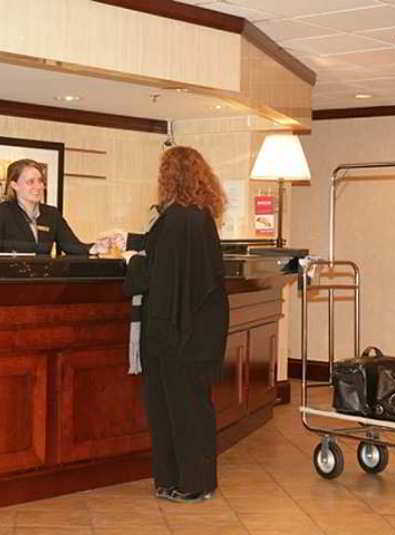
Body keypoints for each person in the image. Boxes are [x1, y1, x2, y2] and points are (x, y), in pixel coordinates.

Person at [119, 146, 228, 504]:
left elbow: (157, 275)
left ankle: (185, 482)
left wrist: (131, 260)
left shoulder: (175, 219)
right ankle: (192, 480)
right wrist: (132, 242)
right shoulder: (199, 217)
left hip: (172, 333)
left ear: (169, 177)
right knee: (193, 407)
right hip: (200, 331)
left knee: (171, 409)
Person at [0, 159, 103, 255]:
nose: (38, 187)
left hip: (44, 279)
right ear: (14, 185)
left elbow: (73, 247)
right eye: (30, 182)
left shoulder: (52, 214)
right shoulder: (0, 212)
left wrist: (97, 247)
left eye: (40, 181)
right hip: (12, 279)